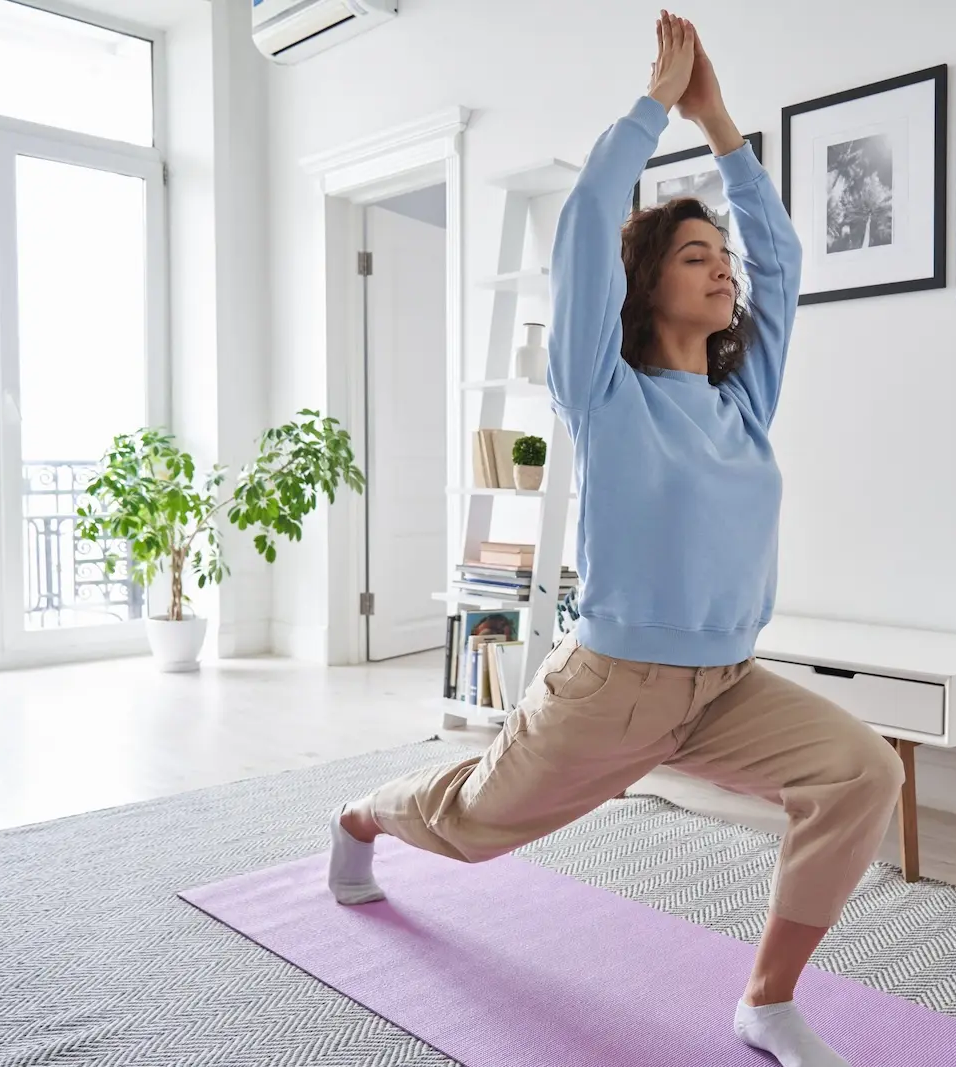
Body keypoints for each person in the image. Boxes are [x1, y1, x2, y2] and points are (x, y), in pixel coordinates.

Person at [327, 12, 903, 1066]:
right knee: (467, 828)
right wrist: (656, 107)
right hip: (611, 688)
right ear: (646, 288)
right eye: (695, 255)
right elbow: (592, 219)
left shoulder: (744, 401)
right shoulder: (602, 389)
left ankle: (765, 999)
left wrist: (722, 123)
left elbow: (782, 262)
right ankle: (363, 814)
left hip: (727, 685)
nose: (722, 269)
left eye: (720, 256)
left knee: (862, 769)